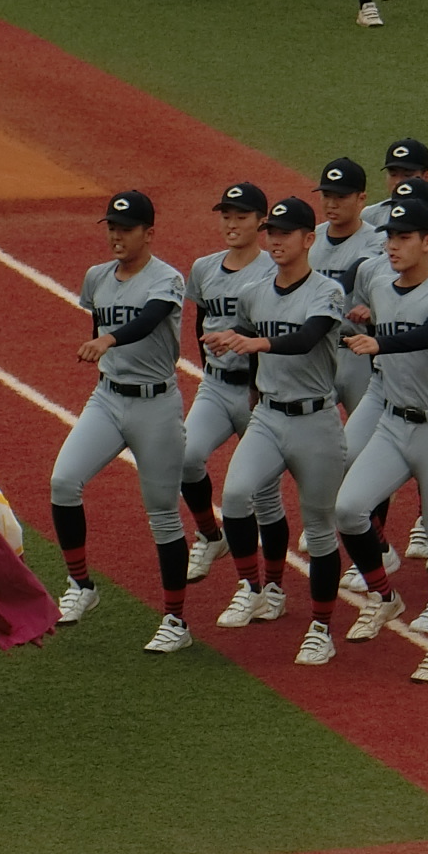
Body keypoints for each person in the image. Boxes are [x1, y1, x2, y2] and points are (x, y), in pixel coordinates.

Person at [206, 197, 352, 663]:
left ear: (309, 239)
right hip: (268, 416)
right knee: (235, 496)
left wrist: (256, 343)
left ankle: (321, 628)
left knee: (320, 529)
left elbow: (307, 338)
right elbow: (247, 346)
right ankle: (255, 589)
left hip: (316, 421)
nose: (275, 240)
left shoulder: (327, 292)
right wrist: (238, 355)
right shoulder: (254, 292)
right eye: (272, 232)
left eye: (285, 233)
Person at [334, 197, 428, 683]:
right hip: (393, 424)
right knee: (348, 509)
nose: (393, 246)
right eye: (390, 237)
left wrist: (380, 341)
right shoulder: (377, 283)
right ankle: (384, 596)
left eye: (405, 237)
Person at [49, 190, 194, 650]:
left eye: (126, 228)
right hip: (108, 398)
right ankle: (81, 586)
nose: (116, 235)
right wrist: (105, 344)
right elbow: (98, 322)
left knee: (163, 515)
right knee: (63, 482)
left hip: (156, 405)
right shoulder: (97, 277)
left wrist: (108, 340)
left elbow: (149, 320)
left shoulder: (167, 279)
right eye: (112, 226)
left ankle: (176, 621)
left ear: (149, 233)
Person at [181, 183, 287, 586]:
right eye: (226, 216)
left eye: (241, 217)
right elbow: (201, 320)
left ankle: (271, 585)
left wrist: (259, 388)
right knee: (185, 457)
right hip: (216, 386)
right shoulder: (204, 267)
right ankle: (211, 536)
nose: (231, 224)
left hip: (258, 392)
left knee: (264, 493)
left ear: (261, 222)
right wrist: (208, 366)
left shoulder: (272, 270)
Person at [309, 156, 383, 415]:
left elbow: (353, 275)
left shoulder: (379, 240)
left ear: (361, 198)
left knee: (367, 433)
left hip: (358, 354)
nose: (332, 204)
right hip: (317, 351)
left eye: (340, 197)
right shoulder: (310, 238)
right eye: (327, 195)